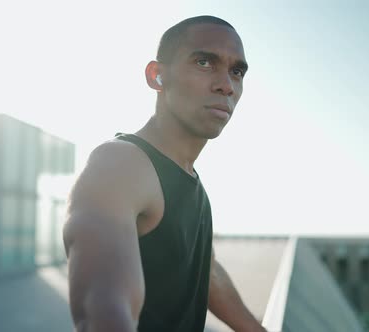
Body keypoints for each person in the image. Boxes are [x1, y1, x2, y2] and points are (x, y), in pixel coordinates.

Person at [63, 15, 266, 332]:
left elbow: (207, 272)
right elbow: (103, 312)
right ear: (157, 76)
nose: (226, 85)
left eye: (236, 71)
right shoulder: (119, 165)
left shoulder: (191, 181)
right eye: (203, 62)